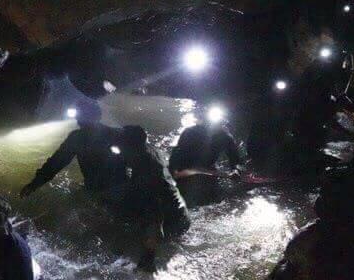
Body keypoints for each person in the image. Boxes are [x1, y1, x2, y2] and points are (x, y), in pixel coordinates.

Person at [20, 100, 127, 197]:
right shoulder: (116, 134)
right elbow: (56, 162)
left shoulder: (78, 138)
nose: (78, 119)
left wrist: (33, 185)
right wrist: (34, 184)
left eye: (81, 116)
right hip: (111, 189)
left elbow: (56, 162)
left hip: (108, 189)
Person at [120, 125, 191, 271]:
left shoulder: (148, 171)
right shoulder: (148, 151)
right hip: (180, 212)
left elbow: (155, 215)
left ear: (130, 147)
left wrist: (148, 257)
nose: (119, 149)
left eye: (121, 145)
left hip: (173, 222)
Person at [168, 107, 243, 206]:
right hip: (186, 168)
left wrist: (235, 171)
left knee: (214, 200)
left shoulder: (225, 137)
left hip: (208, 169)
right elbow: (176, 155)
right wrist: (172, 174)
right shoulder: (189, 132)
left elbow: (236, 160)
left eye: (220, 124)